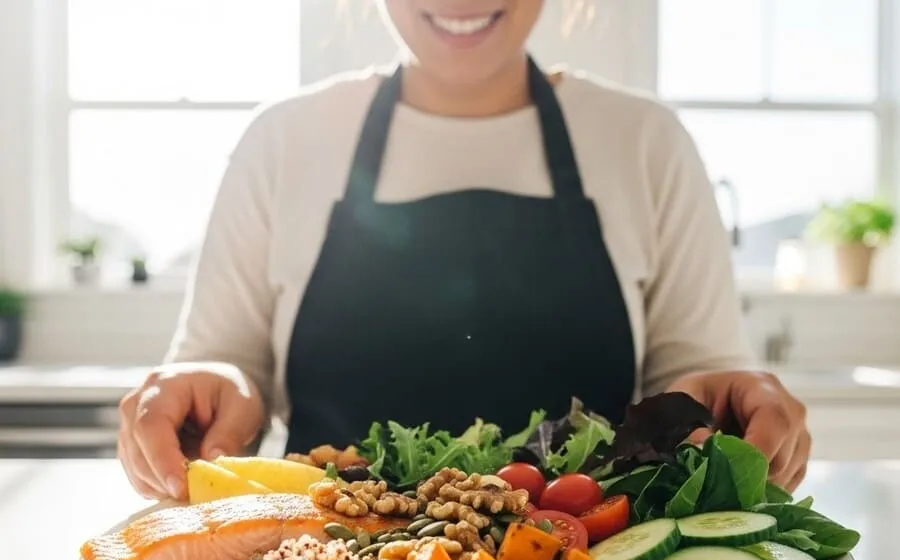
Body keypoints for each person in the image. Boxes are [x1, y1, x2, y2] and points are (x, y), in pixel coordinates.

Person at [117, 0, 810, 502]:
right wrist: (209, 391)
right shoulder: (283, 140)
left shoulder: (647, 143)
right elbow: (228, 366)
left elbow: (696, 376)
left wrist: (727, 407)